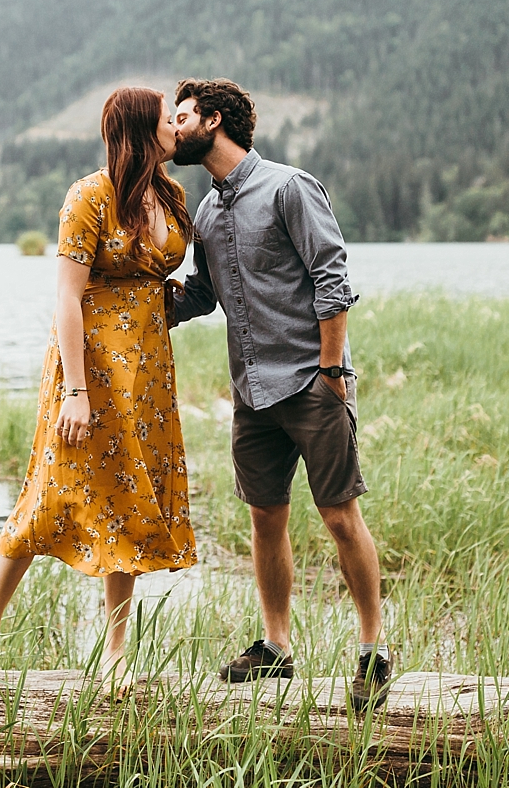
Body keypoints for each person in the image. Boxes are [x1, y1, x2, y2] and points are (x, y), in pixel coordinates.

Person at [0, 86, 198, 696]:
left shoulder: (170, 197)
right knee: (48, 494)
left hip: (144, 376)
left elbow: (170, 278)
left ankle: (116, 649)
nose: (178, 128)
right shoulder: (89, 196)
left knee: (130, 500)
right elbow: (67, 296)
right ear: (144, 130)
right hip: (87, 370)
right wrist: (74, 391)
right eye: (168, 121)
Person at [169, 78, 391, 711]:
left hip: (310, 382)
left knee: (339, 515)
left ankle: (374, 649)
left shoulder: (289, 187)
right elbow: (204, 295)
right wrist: (137, 304)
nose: (173, 128)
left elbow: (332, 276)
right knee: (266, 517)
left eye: (181, 117)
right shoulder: (205, 213)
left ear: (212, 120)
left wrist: (330, 372)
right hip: (252, 392)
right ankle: (276, 647)